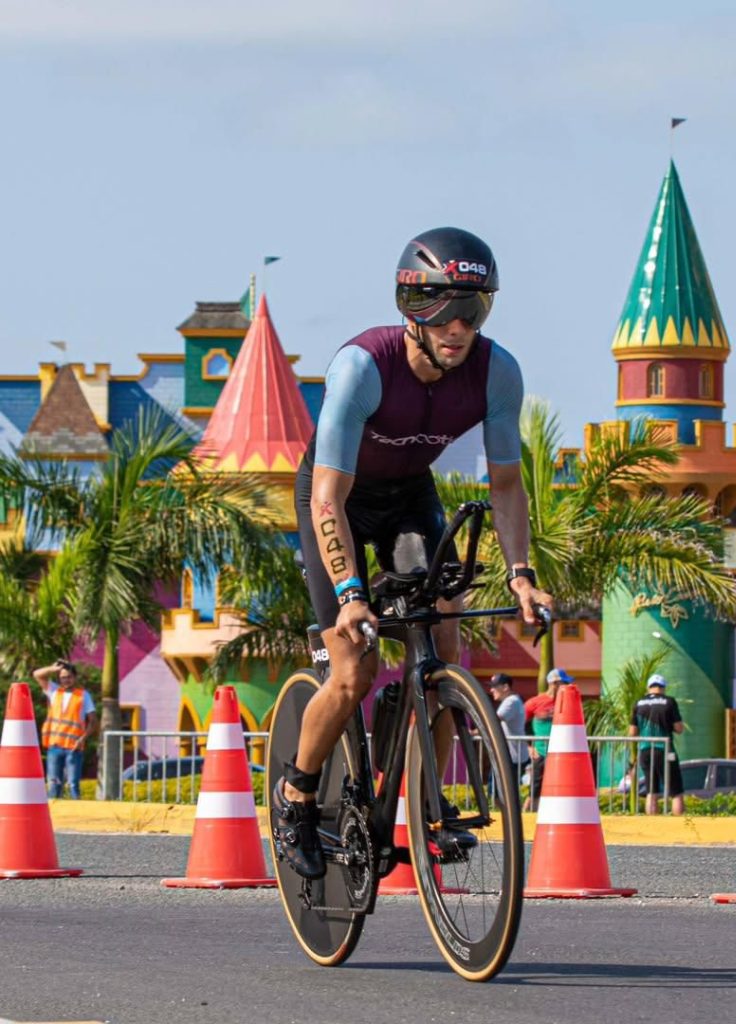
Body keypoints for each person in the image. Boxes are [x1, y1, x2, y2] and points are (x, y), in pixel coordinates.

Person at [275, 226, 553, 879]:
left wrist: (521, 576)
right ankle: (297, 796)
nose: (458, 327)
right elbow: (326, 501)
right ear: (409, 308)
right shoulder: (362, 368)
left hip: (407, 498)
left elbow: (507, 485)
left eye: (474, 309)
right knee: (353, 670)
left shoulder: (497, 372)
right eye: (441, 309)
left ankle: (424, 803)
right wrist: (349, 597)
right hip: (337, 497)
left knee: (443, 646)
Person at [32, 658, 97, 800]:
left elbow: (93, 721)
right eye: (62, 678)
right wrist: (53, 669)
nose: (65, 680)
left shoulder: (83, 695)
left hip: (74, 747)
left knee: (73, 785)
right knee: (53, 784)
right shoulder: (54, 691)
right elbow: (37, 674)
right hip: (55, 746)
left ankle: (76, 818)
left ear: (74, 677)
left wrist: (82, 739)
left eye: (68, 677)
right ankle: (53, 817)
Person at [628, 673, 684, 815]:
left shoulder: (638, 703)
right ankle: (680, 825)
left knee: (651, 791)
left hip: (645, 749)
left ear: (649, 688)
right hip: (664, 749)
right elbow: (679, 728)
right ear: (663, 688)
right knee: (676, 791)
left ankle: (652, 825)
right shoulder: (669, 702)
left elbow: (632, 732)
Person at [523, 668, 569, 811]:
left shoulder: (567, 702)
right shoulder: (534, 702)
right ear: (554, 683)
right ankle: (527, 813)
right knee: (535, 784)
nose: (566, 686)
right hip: (541, 751)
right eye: (564, 683)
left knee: (560, 784)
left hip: (560, 753)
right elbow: (519, 725)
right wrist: (528, 747)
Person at [488, 673, 530, 791]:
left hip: (512, 757)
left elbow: (493, 720)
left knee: (501, 792)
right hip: (509, 755)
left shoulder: (511, 701)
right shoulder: (513, 700)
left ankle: (508, 810)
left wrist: (474, 732)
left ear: (505, 687)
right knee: (496, 792)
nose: (491, 690)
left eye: (494, 686)